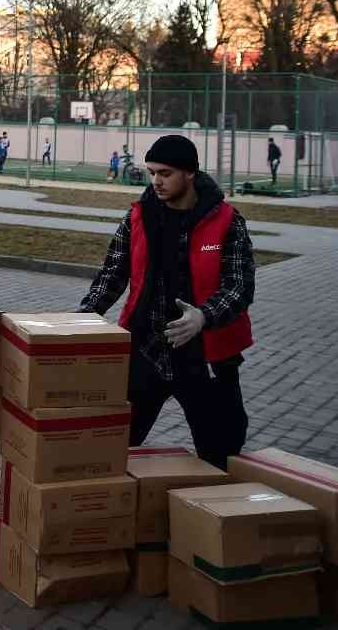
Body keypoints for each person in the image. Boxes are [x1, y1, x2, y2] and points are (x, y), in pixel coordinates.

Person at [77, 134, 255, 470]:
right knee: (113, 443)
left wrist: (203, 316)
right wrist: (80, 319)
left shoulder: (227, 221)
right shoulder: (138, 217)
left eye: (166, 173)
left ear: (190, 173)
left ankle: (217, 514)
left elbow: (240, 286)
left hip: (206, 356)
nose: (156, 181)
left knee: (222, 451)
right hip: (146, 348)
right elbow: (112, 274)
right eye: (152, 172)